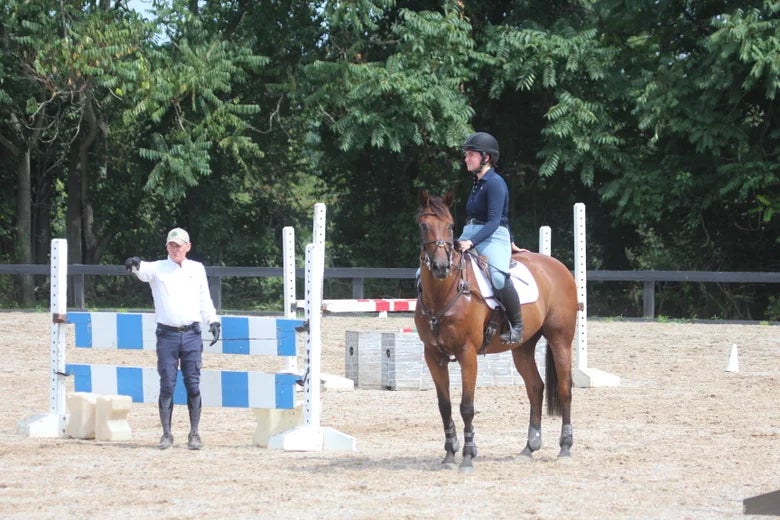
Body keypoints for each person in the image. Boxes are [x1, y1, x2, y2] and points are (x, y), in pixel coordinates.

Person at [125, 227, 221, 450]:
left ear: (187, 247)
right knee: (167, 384)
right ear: (167, 247)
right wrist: (134, 263)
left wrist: (213, 321)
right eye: (171, 245)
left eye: (178, 245)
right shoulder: (158, 268)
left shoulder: (197, 269)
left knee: (193, 383)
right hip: (167, 335)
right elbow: (141, 269)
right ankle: (166, 433)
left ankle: (194, 433)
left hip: (192, 334)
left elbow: (204, 298)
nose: (175, 249)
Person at [456, 132, 523, 344]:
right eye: (466, 154)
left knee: (497, 277)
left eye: (471, 154)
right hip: (471, 231)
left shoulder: (495, 182)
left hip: (493, 235)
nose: (466, 158)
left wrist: (472, 242)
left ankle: (517, 325)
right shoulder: (477, 182)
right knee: (442, 263)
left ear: (486, 157)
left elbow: (495, 221)